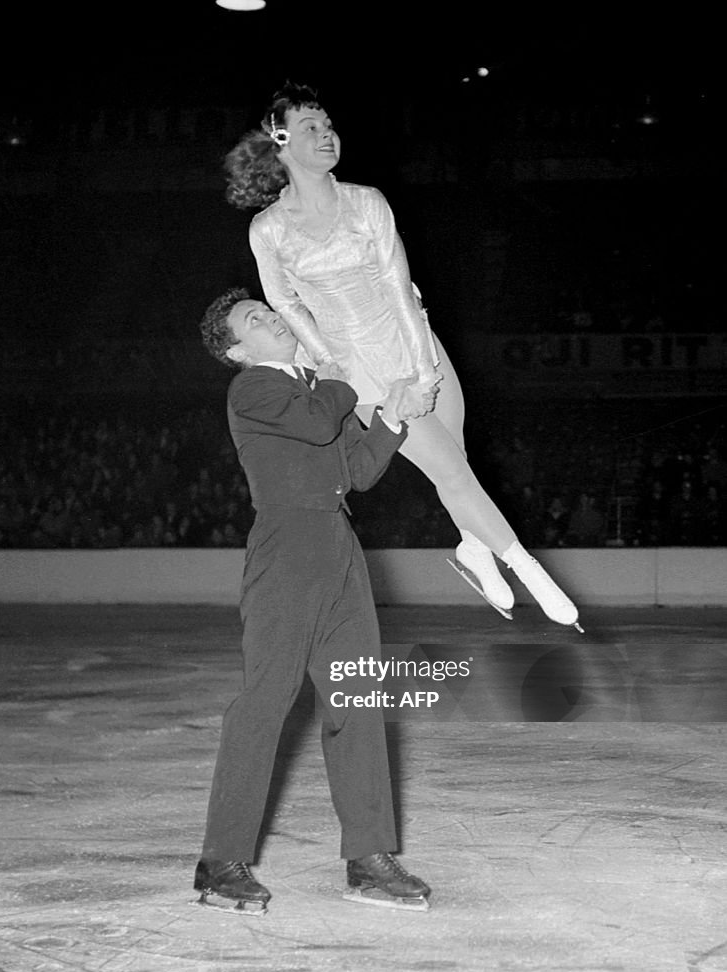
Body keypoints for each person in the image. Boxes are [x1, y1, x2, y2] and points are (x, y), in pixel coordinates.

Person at [224, 81, 581, 630]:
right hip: (360, 370)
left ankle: (472, 546)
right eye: (310, 128)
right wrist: (331, 362)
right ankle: (530, 570)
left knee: (455, 464)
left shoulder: (367, 202)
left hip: (413, 340)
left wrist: (421, 370)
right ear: (280, 142)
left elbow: (398, 286)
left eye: (328, 125)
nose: (327, 135)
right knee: (455, 476)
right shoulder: (268, 229)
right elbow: (285, 302)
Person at [193, 287, 432, 914]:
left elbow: (355, 470)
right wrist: (339, 374)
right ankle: (221, 862)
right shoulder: (255, 390)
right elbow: (319, 420)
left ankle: (369, 859)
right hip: (286, 547)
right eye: (254, 318)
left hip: (339, 545)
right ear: (238, 349)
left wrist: (396, 416)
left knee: (358, 697)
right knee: (266, 701)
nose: (270, 315)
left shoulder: (313, 389)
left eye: (265, 308)